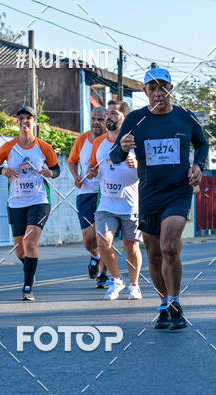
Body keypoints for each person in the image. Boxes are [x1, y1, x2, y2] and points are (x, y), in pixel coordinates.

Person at [110, 67, 209, 330]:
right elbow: (115, 156)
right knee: (154, 255)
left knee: (169, 246)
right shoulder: (135, 119)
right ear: (145, 92)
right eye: (152, 88)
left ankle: (175, 303)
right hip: (149, 194)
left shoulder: (185, 117)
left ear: (171, 88)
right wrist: (122, 148)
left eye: (163, 87)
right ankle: (164, 303)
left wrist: (198, 165)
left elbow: (202, 144)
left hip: (178, 191)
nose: (158, 93)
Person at [0, 106, 60, 301]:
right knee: (20, 249)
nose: (25, 121)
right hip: (16, 202)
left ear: (35, 121)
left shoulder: (44, 147)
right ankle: (30, 269)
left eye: (29, 117)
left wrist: (50, 173)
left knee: (30, 242)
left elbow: (57, 169)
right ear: (16, 122)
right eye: (21, 118)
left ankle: (28, 288)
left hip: (39, 200)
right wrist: (2, 171)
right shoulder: (8, 147)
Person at [87, 100, 143, 300]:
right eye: (108, 113)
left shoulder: (136, 140)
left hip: (130, 203)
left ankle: (134, 285)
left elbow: (148, 168)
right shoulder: (99, 142)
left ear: (124, 118)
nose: (108, 117)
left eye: (113, 114)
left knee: (131, 246)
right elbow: (94, 166)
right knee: (103, 241)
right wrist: (91, 172)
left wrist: (137, 163)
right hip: (107, 203)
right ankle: (117, 279)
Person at [68, 107, 109, 288]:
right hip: (85, 193)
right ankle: (95, 255)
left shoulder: (111, 141)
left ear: (106, 121)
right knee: (88, 238)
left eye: (100, 119)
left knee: (104, 236)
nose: (96, 123)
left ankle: (103, 274)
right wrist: (76, 176)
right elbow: (71, 161)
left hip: (107, 193)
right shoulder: (82, 140)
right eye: (93, 119)